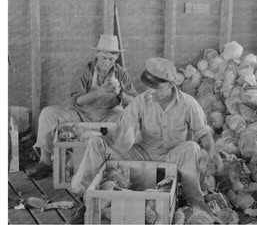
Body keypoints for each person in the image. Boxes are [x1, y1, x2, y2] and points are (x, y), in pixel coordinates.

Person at [68, 57, 223, 224]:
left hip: (172, 156)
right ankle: (85, 199)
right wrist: (123, 135)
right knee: (96, 143)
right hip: (143, 154)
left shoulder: (188, 104)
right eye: (149, 85)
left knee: (192, 147)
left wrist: (213, 152)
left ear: (171, 84)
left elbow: (204, 133)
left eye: (157, 87)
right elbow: (124, 136)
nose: (151, 90)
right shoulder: (139, 102)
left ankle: (194, 200)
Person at [28, 34, 138, 179]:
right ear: (96, 54)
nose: (107, 62)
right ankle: (45, 161)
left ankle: (118, 160)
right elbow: (77, 101)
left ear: (116, 57)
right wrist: (101, 92)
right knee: (48, 113)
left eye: (111, 59)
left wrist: (121, 94)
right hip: (82, 112)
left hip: (109, 113)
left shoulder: (121, 73)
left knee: (130, 119)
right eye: (103, 58)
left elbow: (135, 102)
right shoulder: (85, 71)